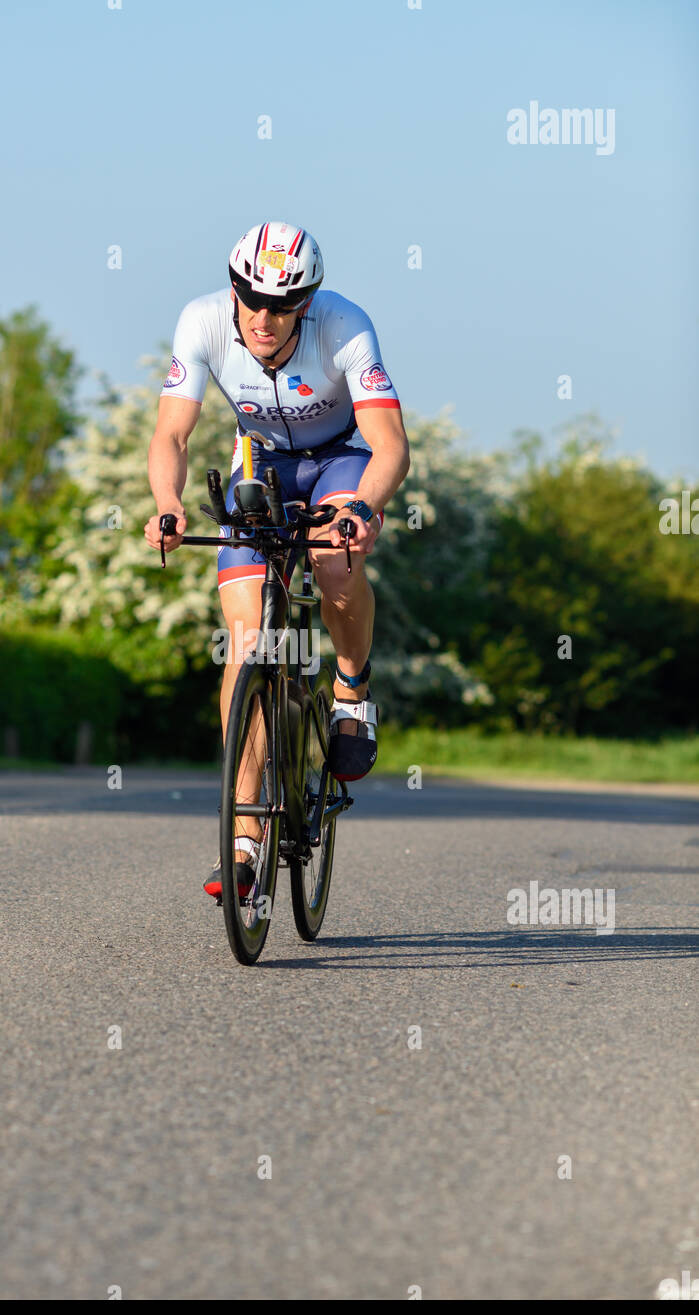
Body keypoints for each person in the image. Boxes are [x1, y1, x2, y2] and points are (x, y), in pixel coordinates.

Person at [144, 222, 410, 899]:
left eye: (282, 304)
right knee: (246, 641)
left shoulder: (345, 326)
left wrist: (363, 512)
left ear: (307, 302)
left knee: (332, 563)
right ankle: (243, 841)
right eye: (250, 299)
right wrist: (167, 502)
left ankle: (350, 689)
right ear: (233, 289)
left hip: (340, 458)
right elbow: (172, 430)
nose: (263, 318)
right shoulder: (201, 321)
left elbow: (389, 446)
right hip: (260, 461)